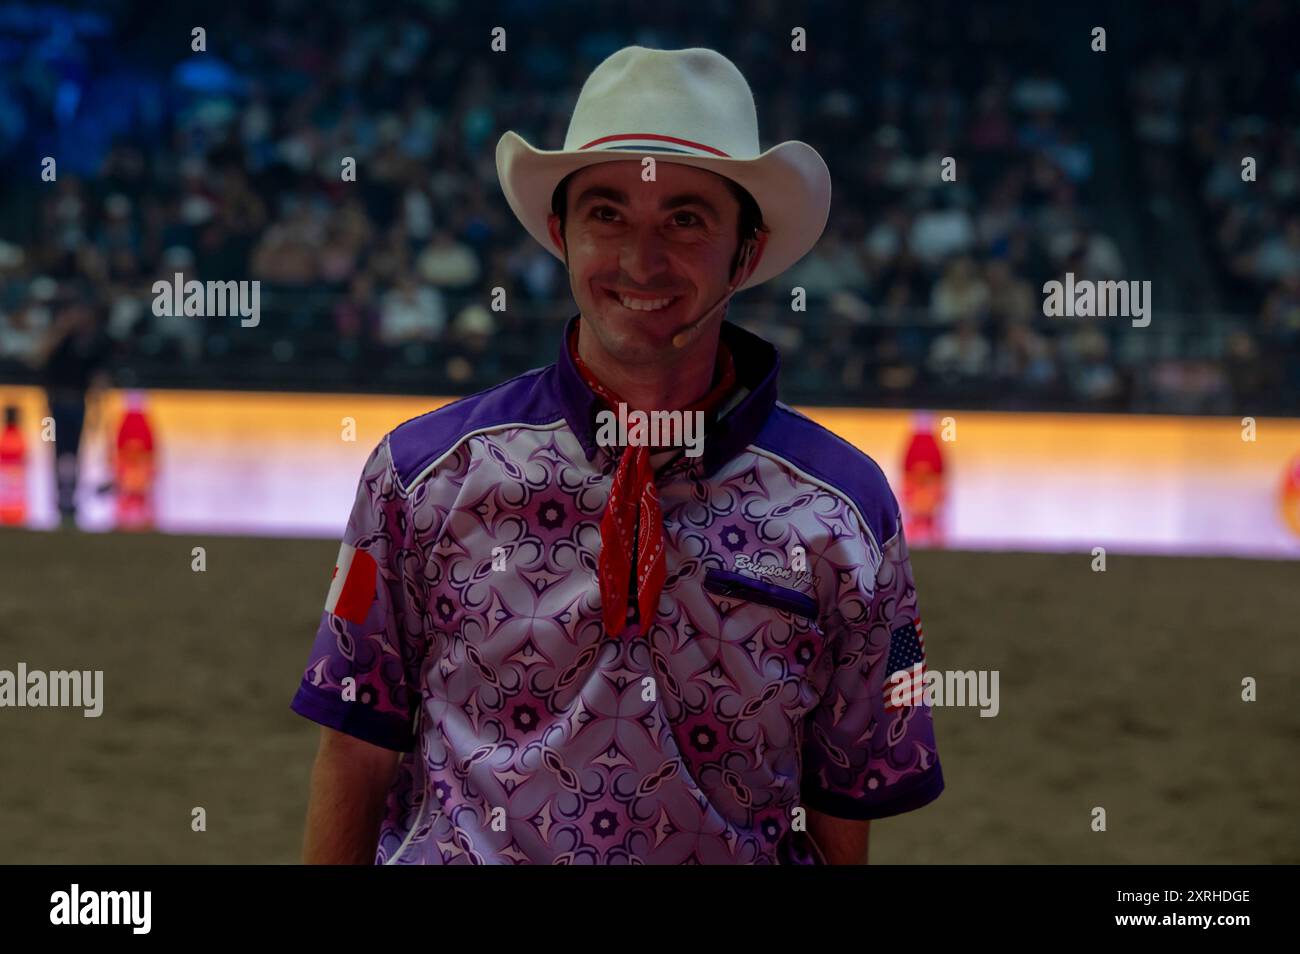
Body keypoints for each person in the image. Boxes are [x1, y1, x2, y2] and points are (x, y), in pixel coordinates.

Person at [291, 46, 943, 865]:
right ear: (561, 233)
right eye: (607, 214)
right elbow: (355, 744)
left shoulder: (848, 511)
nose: (641, 261)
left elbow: (845, 803)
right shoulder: (421, 478)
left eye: (685, 219)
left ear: (746, 249)